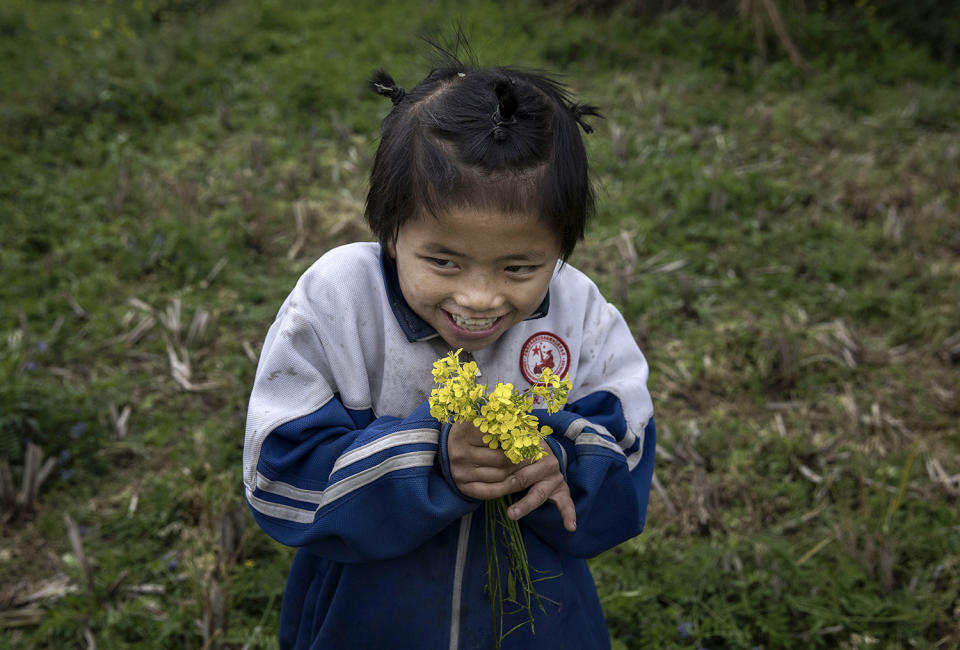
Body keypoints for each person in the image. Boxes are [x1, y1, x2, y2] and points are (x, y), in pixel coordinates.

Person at [242, 50, 656, 650]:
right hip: (365, 626)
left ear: (562, 247)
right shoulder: (340, 302)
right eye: (443, 261)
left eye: (520, 267)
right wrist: (428, 458)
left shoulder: (578, 313)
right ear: (390, 229)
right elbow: (279, 481)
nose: (480, 297)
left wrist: (561, 466)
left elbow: (629, 458)